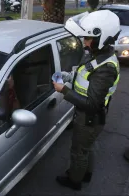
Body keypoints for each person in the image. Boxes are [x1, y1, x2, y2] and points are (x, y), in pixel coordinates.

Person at [53, 10, 121, 190]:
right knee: (86, 148)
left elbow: (92, 104)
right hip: (90, 117)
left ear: (102, 38)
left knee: (78, 151)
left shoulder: (106, 68)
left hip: (89, 118)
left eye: (88, 38)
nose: (85, 42)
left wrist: (64, 90)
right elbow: (84, 74)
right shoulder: (98, 54)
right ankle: (86, 173)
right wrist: (68, 76)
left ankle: (74, 180)